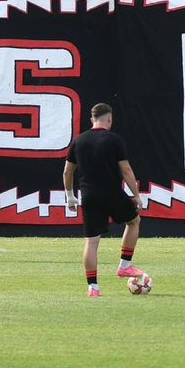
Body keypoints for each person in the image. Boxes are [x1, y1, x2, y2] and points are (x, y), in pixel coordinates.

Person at [64, 103, 146, 298]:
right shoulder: (114, 140)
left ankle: (93, 288)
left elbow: (67, 171)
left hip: (89, 196)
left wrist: (70, 196)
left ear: (91, 119)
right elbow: (126, 169)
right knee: (134, 221)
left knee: (91, 242)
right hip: (111, 193)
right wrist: (136, 195)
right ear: (109, 119)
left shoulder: (79, 141)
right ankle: (124, 265)